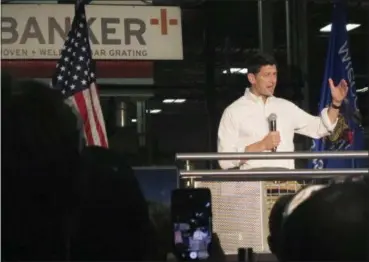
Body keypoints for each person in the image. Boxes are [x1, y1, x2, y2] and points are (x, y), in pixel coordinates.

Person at [218, 53, 349, 170]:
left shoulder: (286, 107)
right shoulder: (233, 111)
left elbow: (320, 128)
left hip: (286, 184)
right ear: (252, 78)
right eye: (267, 75)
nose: (272, 80)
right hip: (252, 185)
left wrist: (336, 103)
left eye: (274, 74)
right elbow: (225, 161)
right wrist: (261, 145)